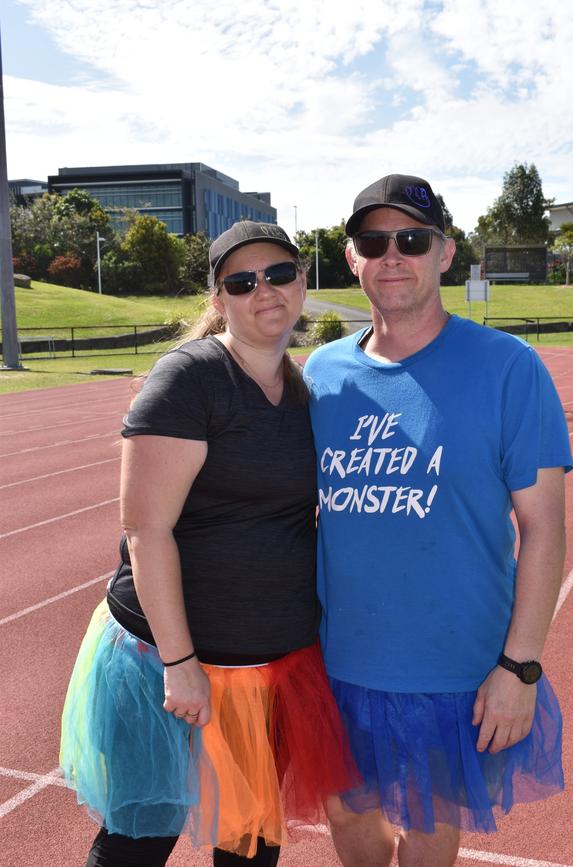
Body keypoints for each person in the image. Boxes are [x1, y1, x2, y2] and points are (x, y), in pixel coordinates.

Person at [60, 221, 357, 867]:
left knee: (249, 845)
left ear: (302, 281)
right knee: (139, 839)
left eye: (279, 274)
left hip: (264, 666)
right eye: (242, 282)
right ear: (219, 299)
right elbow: (145, 528)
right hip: (162, 662)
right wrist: (180, 660)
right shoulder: (191, 376)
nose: (265, 291)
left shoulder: (306, 388)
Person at [304, 174, 573, 867]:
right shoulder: (321, 372)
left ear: (445, 253)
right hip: (338, 664)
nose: (393, 255)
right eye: (374, 240)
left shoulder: (510, 368)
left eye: (412, 240)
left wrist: (521, 664)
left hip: (457, 667)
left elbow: (543, 529)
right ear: (352, 257)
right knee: (348, 823)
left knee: (429, 835)